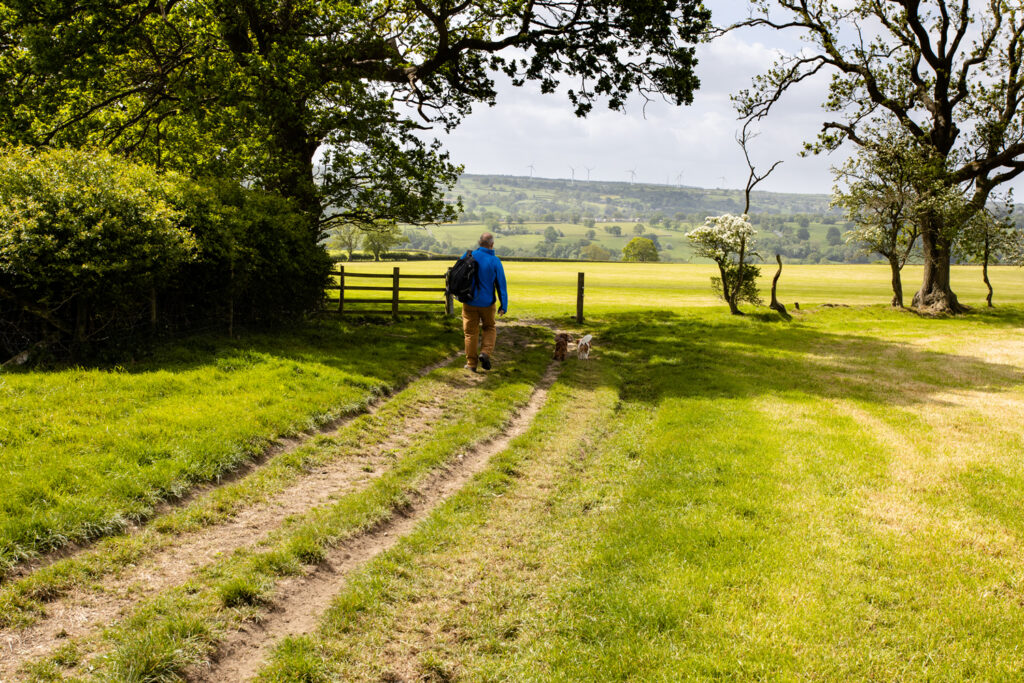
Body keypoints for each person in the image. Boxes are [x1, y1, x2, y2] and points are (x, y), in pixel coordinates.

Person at [462, 232, 508, 372]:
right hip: (487, 303)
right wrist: (503, 305)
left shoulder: (468, 255)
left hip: (469, 301)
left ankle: (471, 364)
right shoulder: (495, 261)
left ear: (479, 243)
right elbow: (501, 285)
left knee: (470, 333)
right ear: (492, 244)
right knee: (489, 328)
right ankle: (485, 353)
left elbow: (458, 275)